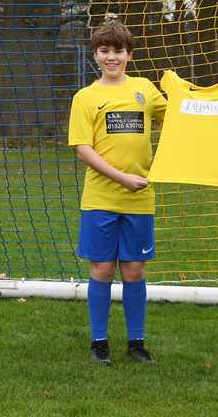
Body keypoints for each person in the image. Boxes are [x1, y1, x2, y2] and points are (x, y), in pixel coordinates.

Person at [68, 20, 167, 365]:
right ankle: (99, 344)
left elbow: (180, 119)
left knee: (135, 271)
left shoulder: (145, 89)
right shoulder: (86, 97)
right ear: (95, 55)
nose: (112, 57)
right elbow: (83, 148)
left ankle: (136, 344)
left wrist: (200, 97)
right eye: (105, 51)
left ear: (130, 54)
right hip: (101, 199)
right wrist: (121, 178)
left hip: (140, 198)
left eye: (118, 51)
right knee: (102, 270)